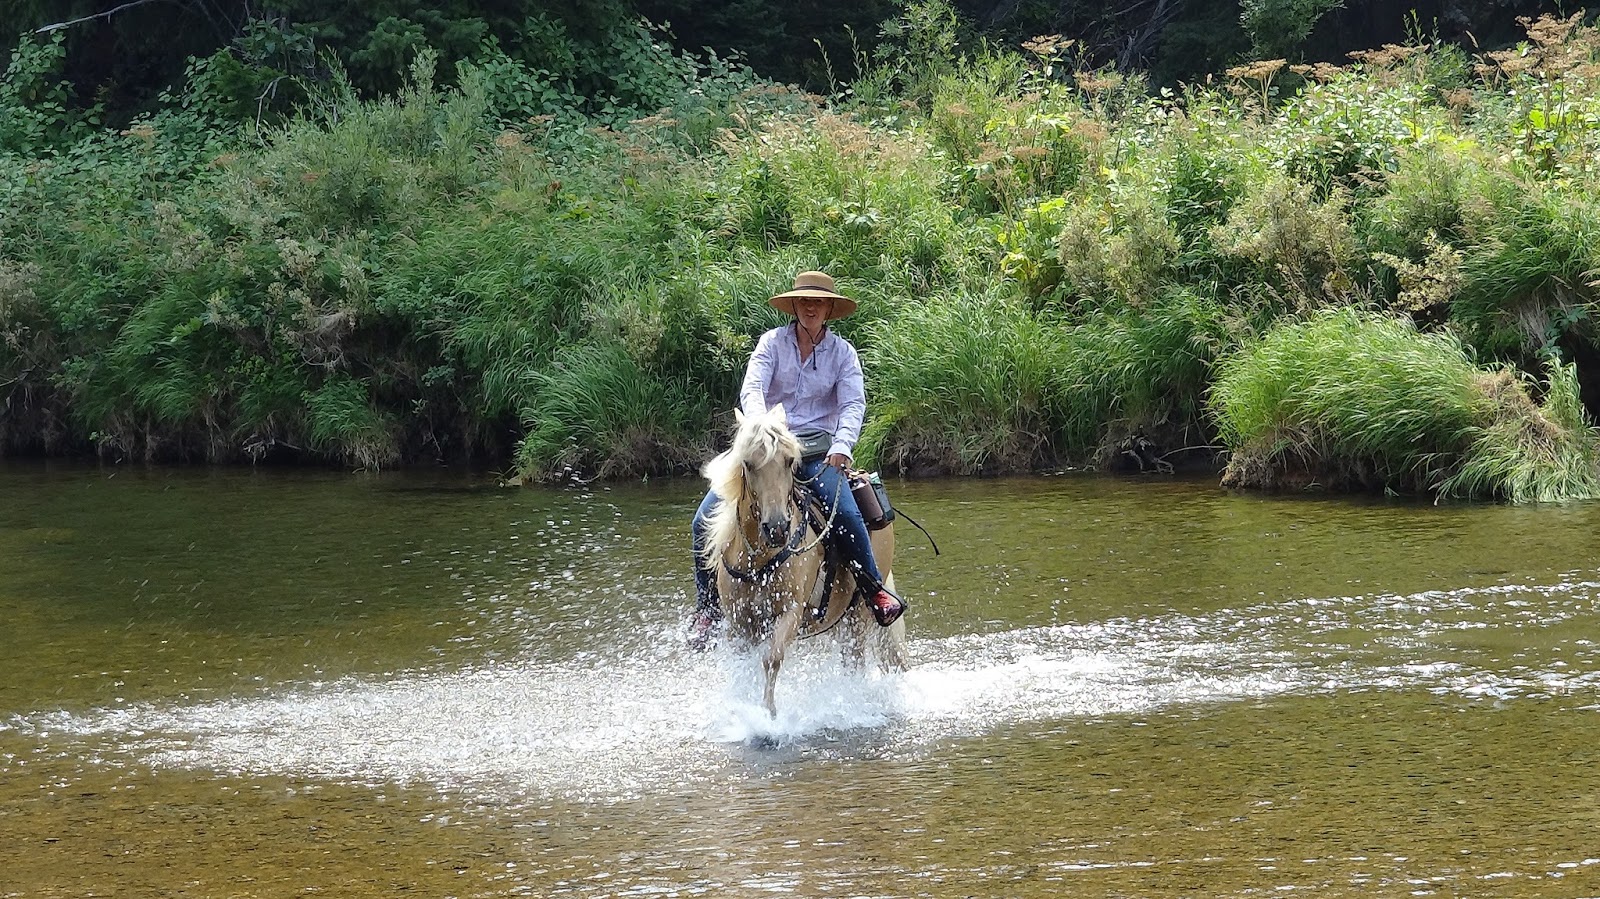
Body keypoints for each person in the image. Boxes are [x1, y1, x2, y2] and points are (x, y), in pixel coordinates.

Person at [688, 271, 905, 649]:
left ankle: (874, 591)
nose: (811, 308)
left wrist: (843, 445)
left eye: (818, 302)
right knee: (702, 520)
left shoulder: (843, 354)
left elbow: (852, 405)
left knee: (848, 515)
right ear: (794, 306)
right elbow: (753, 388)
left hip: (818, 452)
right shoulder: (771, 343)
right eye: (804, 301)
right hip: (766, 447)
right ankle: (707, 608)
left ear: (829, 309)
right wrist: (762, 429)